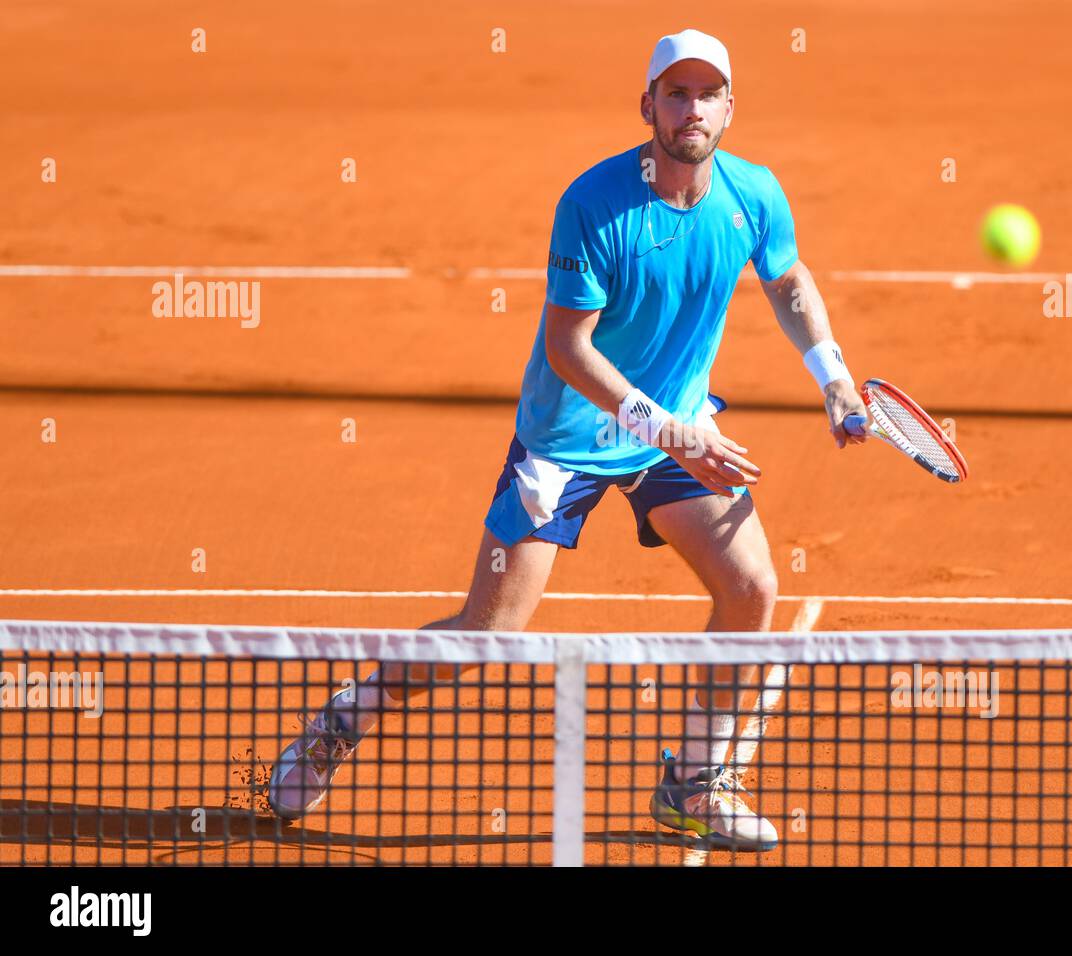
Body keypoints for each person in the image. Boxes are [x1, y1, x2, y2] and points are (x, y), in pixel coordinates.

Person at [268, 28, 866, 852]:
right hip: (569, 439)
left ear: (731, 107)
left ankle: (692, 783)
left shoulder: (754, 196)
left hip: (673, 431)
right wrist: (672, 432)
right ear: (648, 104)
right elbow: (568, 349)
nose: (692, 109)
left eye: (708, 94)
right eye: (676, 93)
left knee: (752, 589)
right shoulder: (594, 202)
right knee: (488, 634)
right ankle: (344, 718)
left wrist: (831, 372)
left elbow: (789, 280)